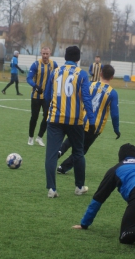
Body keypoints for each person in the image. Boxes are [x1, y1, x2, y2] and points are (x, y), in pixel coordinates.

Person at [72, 143, 135, 252]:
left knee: (125, 236)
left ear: (120, 156)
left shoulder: (115, 169)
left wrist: (84, 224)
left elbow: (98, 199)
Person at [44, 46, 95, 198]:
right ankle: (79, 187)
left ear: (65, 57)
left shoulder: (55, 72)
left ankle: (52, 189)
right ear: (78, 59)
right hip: (75, 120)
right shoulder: (82, 74)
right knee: (78, 152)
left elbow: (47, 95)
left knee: (51, 155)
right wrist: (91, 121)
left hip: (54, 119)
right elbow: (86, 98)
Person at [57, 64, 120, 174]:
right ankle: (63, 167)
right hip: (95, 126)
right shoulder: (112, 93)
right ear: (112, 77)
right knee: (81, 150)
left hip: (81, 119)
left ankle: (59, 151)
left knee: (71, 139)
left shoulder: (90, 85)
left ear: (100, 73)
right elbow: (114, 114)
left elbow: (78, 98)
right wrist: (116, 129)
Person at [26, 46, 58, 147]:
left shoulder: (54, 64)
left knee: (47, 117)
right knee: (34, 117)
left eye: (47, 54)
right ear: (41, 53)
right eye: (43, 54)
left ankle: (39, 137)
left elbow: (58, 77)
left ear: (50, 53)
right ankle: (30, 137)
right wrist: (36, 86)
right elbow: (29, 78)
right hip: (36, 96)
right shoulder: (36, 64)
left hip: (48, 96)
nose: (45, 56)